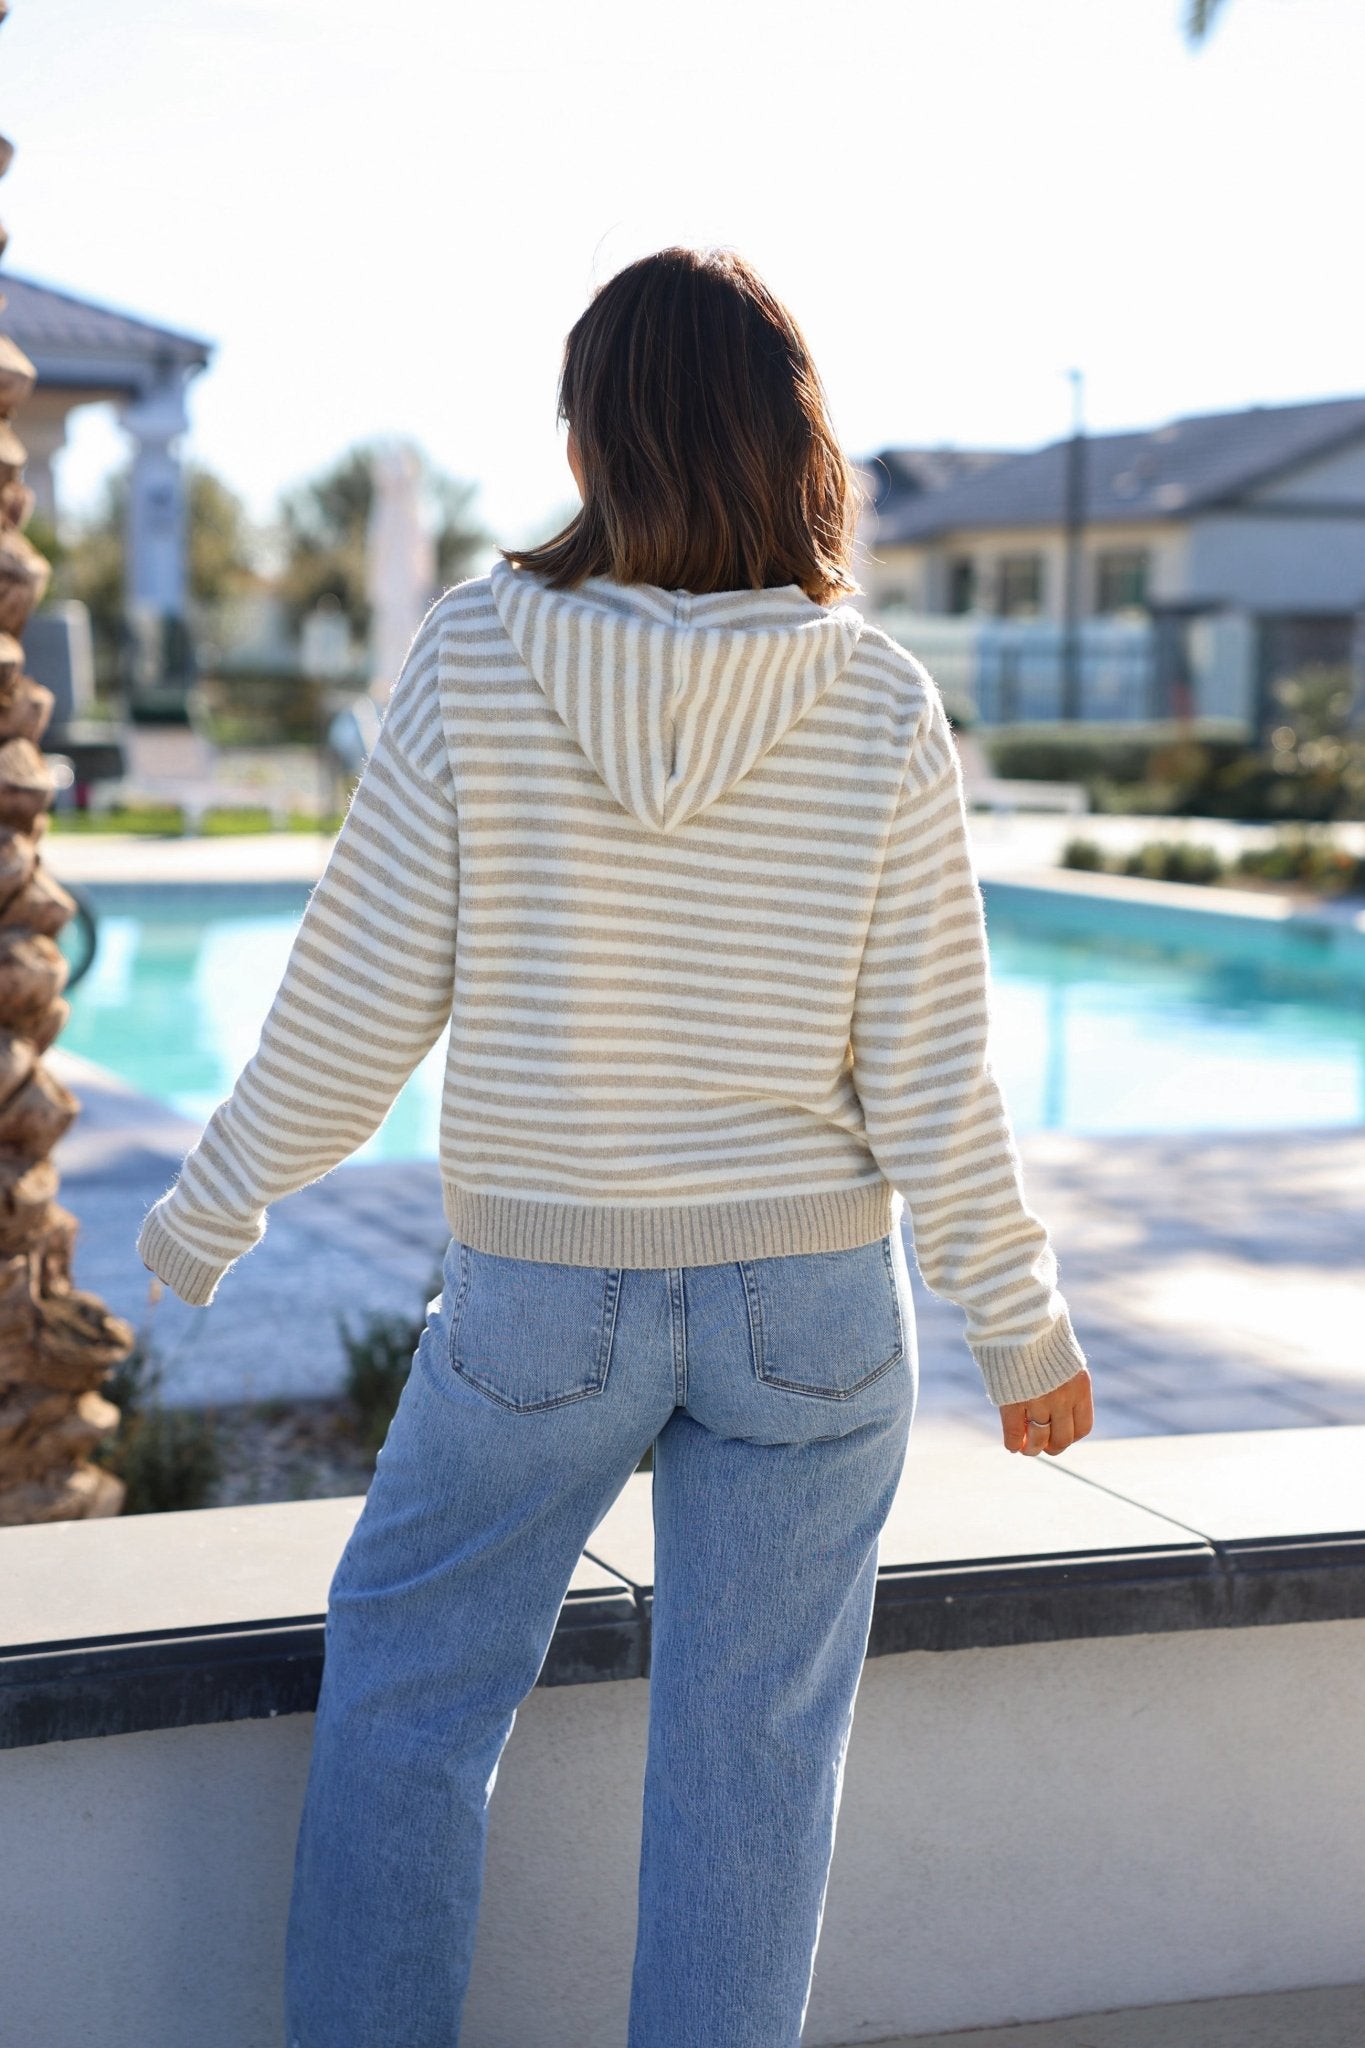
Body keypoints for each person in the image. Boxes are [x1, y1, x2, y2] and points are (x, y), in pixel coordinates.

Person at [138, 244, 1093, 2048]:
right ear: (795, 450)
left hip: (539, 1301)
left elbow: (353, 1001)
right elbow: (933, 1069)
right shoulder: (875, 697)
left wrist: (214, 1206)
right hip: (811, 1307)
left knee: (411, 1694)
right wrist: (1016, 1324)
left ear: (588, 448)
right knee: (753, 1762)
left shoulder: (477, 658)